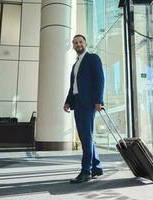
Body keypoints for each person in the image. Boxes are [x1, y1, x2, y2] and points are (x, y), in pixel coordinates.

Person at [64, 34, 105, 184]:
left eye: (80, 42)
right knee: (85, 137)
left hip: (88, 104)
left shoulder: (92, 58)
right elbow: (73, 86)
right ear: (73, 46)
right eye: (75, 43)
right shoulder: (75, 65)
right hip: (77, 103)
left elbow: (100, 79)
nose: (78, 44)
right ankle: (96, 167)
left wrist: (98, 101)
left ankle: (86, 171)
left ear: (85, 43)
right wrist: (68, 101)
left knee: (86, 138)